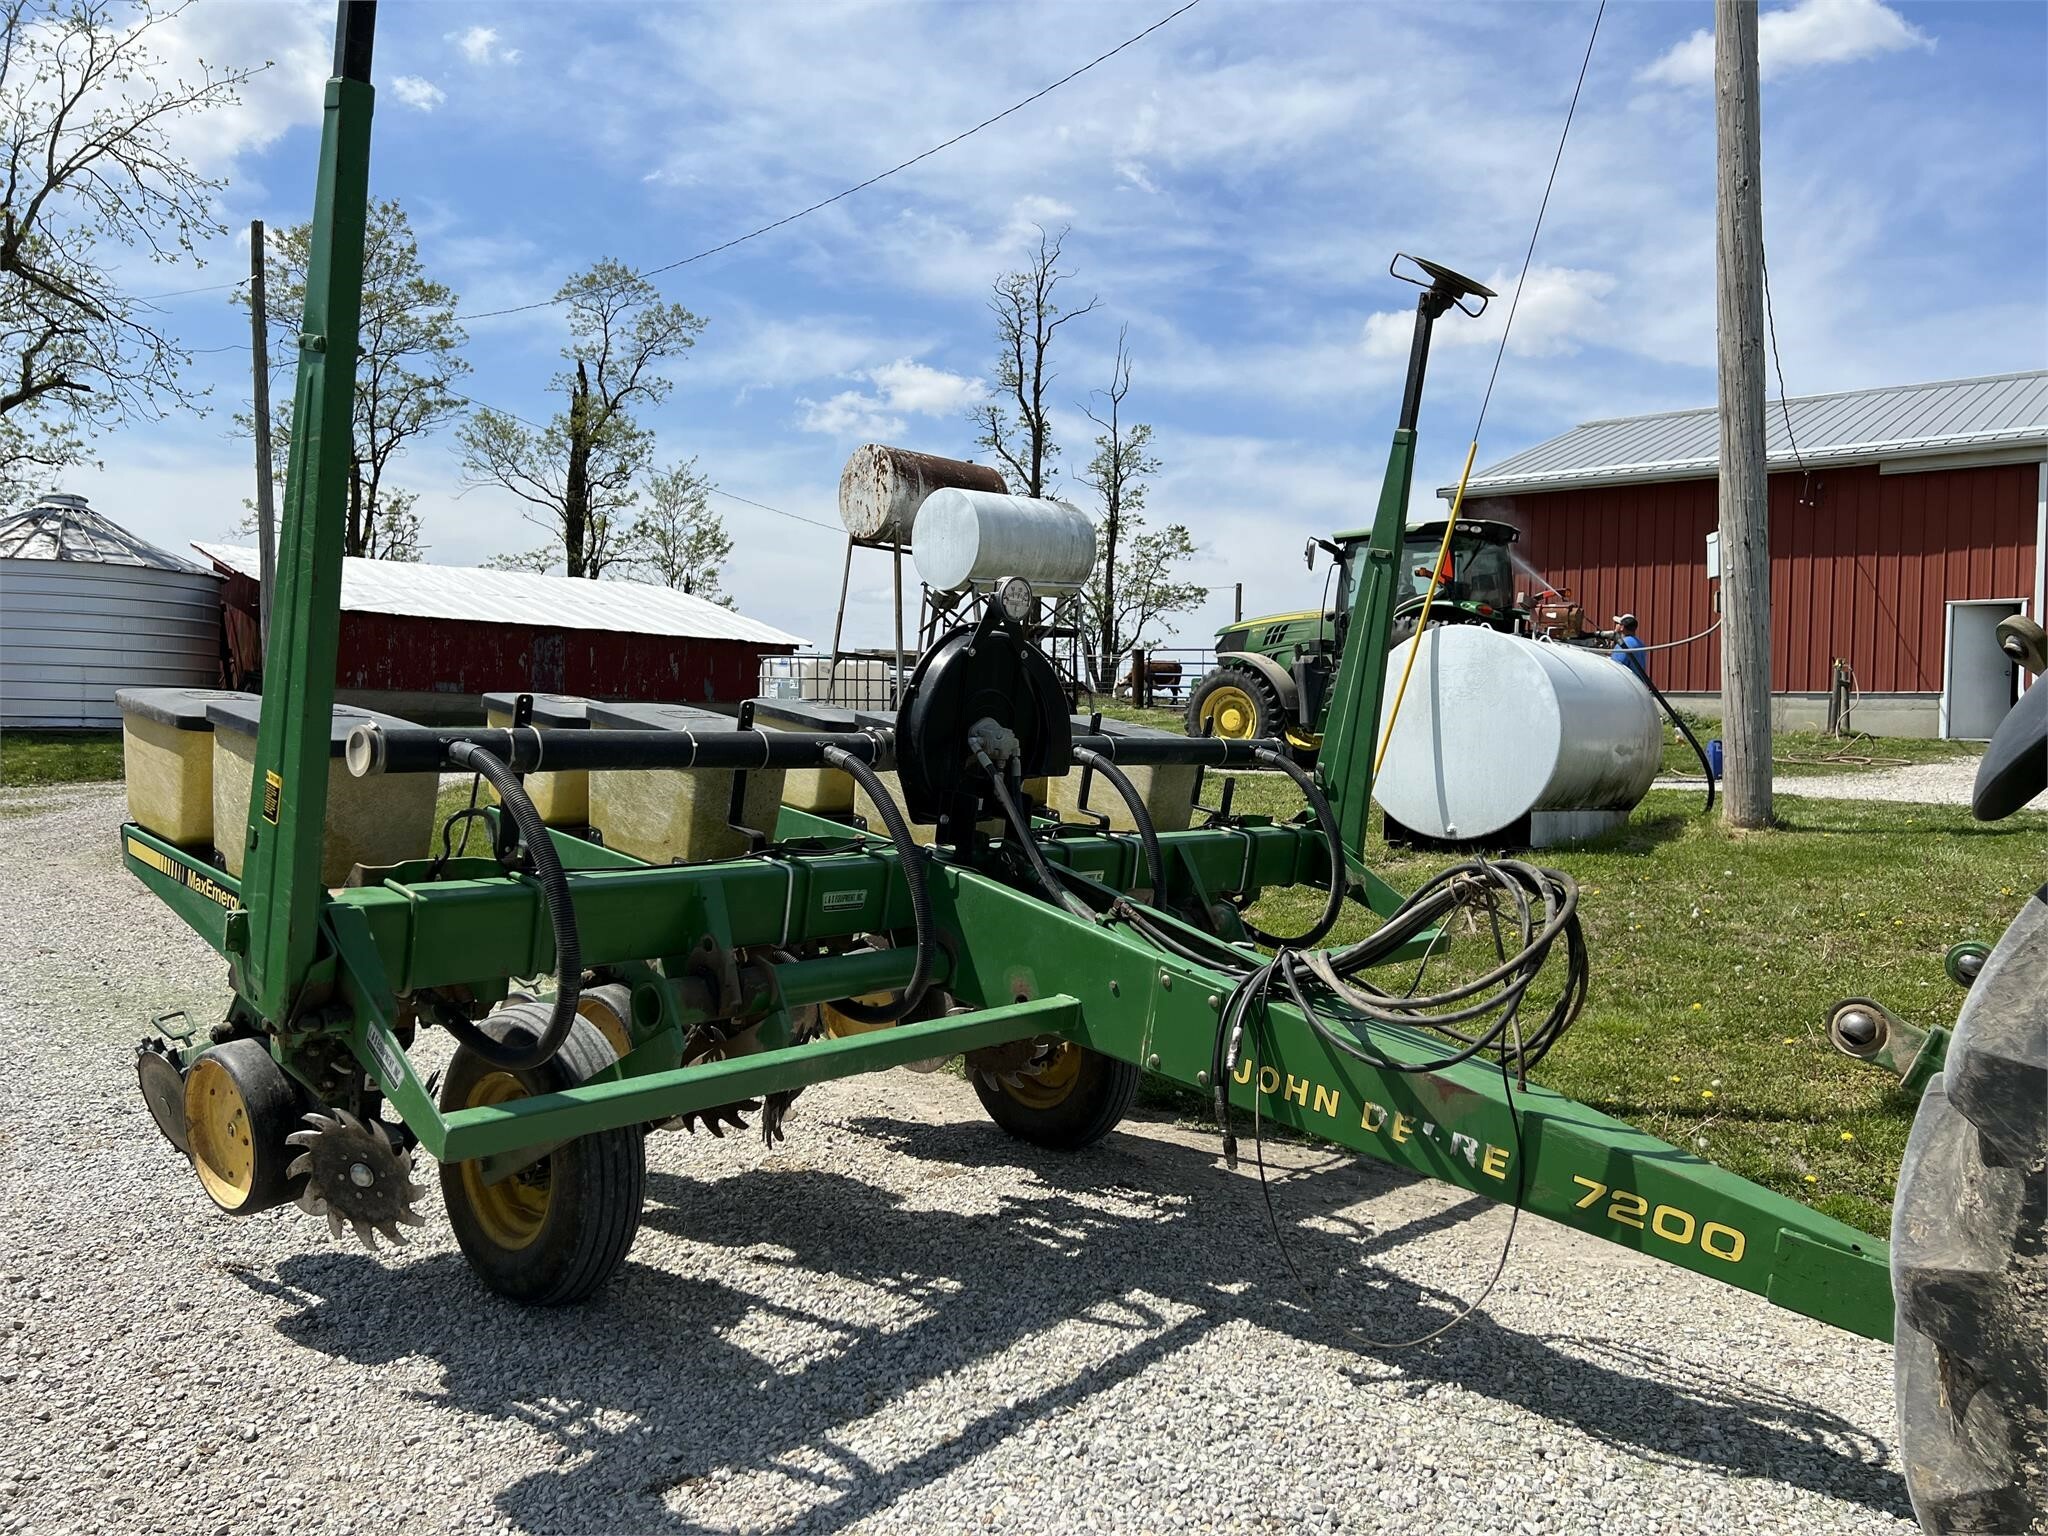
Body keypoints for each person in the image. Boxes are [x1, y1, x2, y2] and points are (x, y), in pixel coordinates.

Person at [1611, 613, 1648, 679]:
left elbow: (1615, 668)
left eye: (1618, 624)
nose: (1616, 626)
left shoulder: (1622, 645)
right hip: (1638, 683)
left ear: (1622, 627)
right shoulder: (1640, 643)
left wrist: (1615, 633)